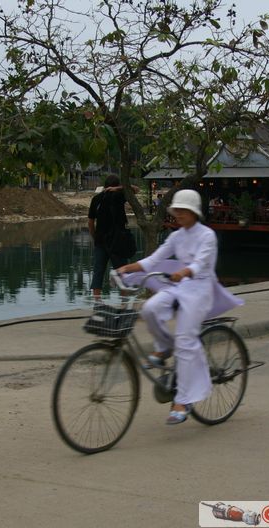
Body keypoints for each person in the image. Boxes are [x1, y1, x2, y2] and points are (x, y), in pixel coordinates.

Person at [118, 189, 217, 425]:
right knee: (149, 308)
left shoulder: (207, 236)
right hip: (180, 286)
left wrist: (185, 271)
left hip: (200, 290)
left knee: (185, 340)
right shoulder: (176, 237)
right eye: (177, 210)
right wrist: (126, 268)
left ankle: (182, 401)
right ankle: (164, 348)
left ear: (194, 212)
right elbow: (154, 260)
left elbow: (201, 263)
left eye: (183, 210)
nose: (179, 214)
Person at [88, 176, 132, 298]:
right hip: (117, 241)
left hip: (101, 241)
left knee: (98, 272)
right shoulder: (119, 196)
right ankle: (124, 302)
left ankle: (97, 302)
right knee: (122, 271)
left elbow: (90, 222)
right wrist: (118, 189)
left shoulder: (97, 198)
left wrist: (94, 237)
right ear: (116, 185)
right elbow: (135, 189)